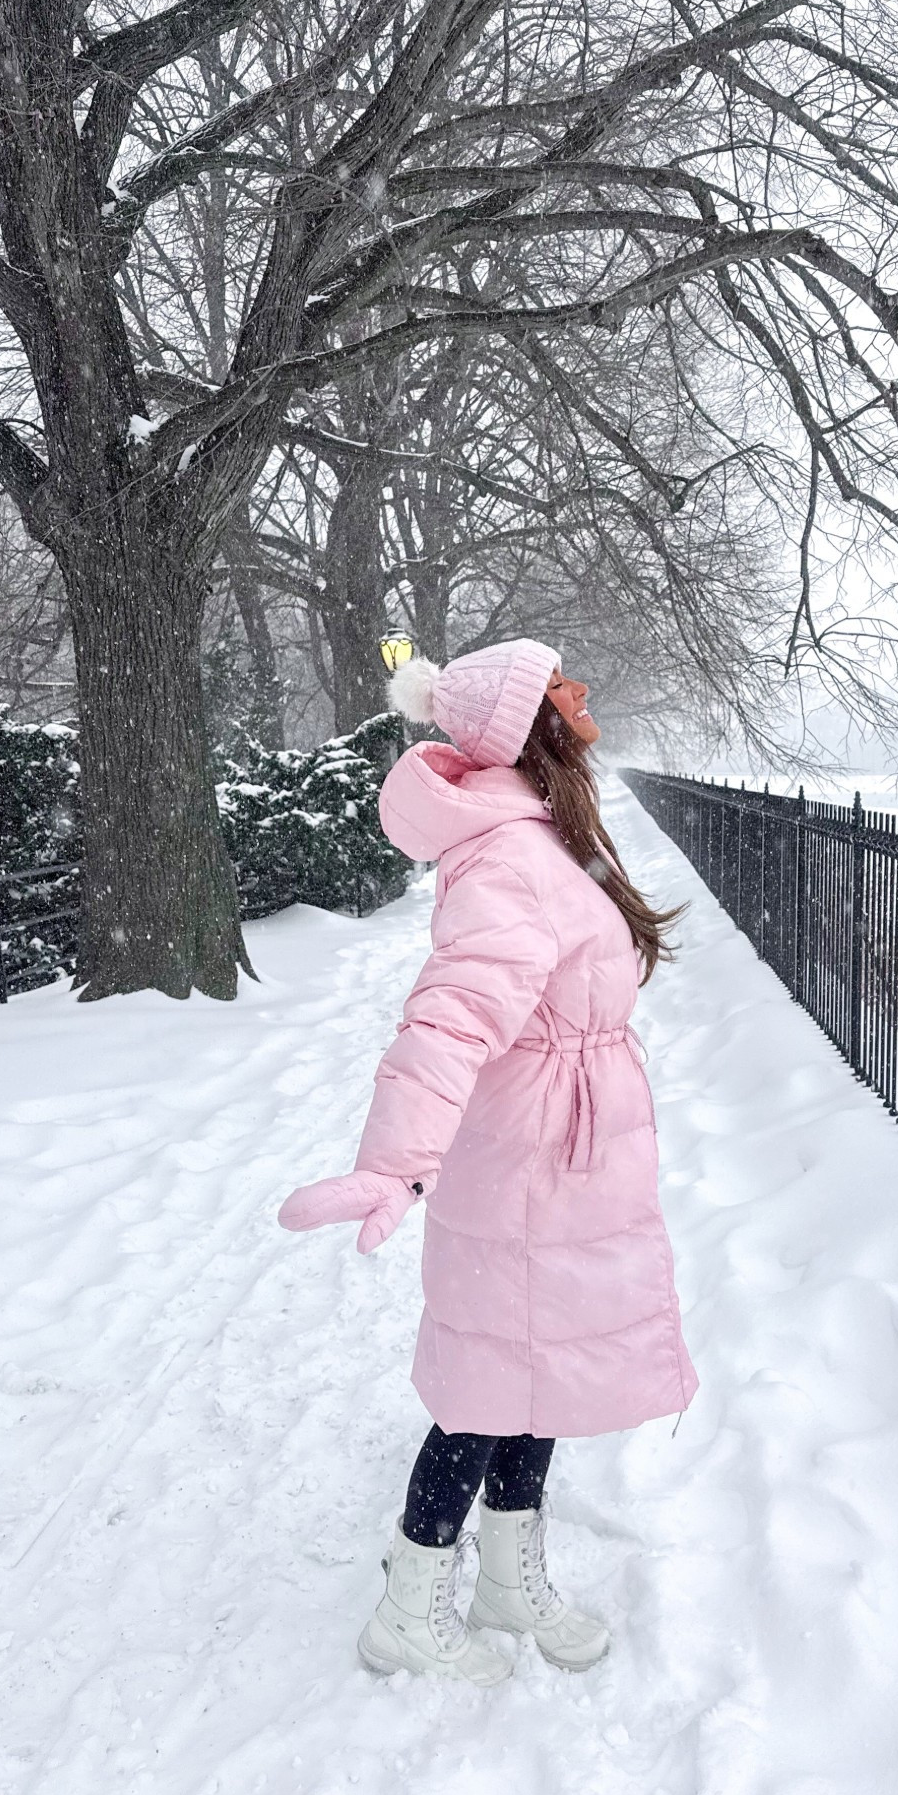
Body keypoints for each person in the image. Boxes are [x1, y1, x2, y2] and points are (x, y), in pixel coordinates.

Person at [279, 637, 698, 1683]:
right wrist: (393, 1162)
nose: (583, 692)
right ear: (531, 722)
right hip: (527, 1166)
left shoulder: (542, 833)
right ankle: (408, 1608)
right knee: (480, 1392)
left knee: (535, 1379)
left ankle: (509, 1578)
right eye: (563, 683)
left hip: (561, 1156)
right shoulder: (512, 858)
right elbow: (453, 1017)